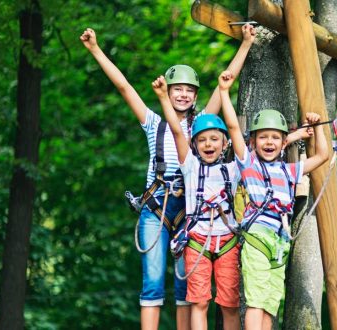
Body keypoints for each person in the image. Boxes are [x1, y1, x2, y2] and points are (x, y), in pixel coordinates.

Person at [79, 24, 256, 330]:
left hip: (192, 210)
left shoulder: (202, 127)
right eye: (178, 90)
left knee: (187, 287)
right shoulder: (154, 124)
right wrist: (95, 49)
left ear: (195, 96)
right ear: (168, 92)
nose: (184, 95)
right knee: (152, 281)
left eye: (189, 91)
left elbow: (223, 85)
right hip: (156, 208)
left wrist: (246, 45)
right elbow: (125, 88)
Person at [218, 70, 329, 330]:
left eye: (275, 137)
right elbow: (234, 127)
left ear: (283, 143)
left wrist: (317, 126)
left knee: (270, 303)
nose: (269, 142)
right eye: (263, 137)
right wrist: (224, 92)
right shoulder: (248, 165)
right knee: (256, 300)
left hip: (280, 243)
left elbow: (322, 155)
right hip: (257, 238)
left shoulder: (290, 171)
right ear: (253, 142)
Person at [153, 75, 241, 330]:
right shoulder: (190, 166)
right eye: (202, 140)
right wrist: (162, 97)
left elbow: (236, 131)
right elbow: (177, 131)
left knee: (229, 304)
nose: (208, 144)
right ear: (194, 146)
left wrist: (224, 92)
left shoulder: (234, 169)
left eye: (214, 139)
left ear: (225, 144)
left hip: (227, 241)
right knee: (199, 302)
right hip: (197, 240)